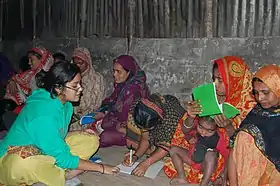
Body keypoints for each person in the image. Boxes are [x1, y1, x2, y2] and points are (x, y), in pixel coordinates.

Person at [0, 61, 119, 186]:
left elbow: (57, 135)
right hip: (14, 157)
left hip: (44, 150)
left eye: (80, 84)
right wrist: (101, 168)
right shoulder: (43, 114)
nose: (81, 89)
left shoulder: (66, 106)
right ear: (58, 88)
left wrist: (79, 132)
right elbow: (60, 154)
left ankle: (56, 170)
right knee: (21, 165)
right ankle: (63, 174)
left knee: (90, 140)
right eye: (75, 86)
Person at [164, 56, 257, 184]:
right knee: (177, 150)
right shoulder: (208, 98)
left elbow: (243, 146)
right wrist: (190, 117)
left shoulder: (248, 105)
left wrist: (229, 127)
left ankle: (217, 175)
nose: (215, 85)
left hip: (225, 157)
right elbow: (184, 131)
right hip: (197, 150)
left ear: (234, 81)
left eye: (220, 80)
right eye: (214, 79)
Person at [228, 64, 280, 186]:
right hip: (249, 178)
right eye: (256, 93)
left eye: (265, 92)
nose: (260, 98)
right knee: (243, 136)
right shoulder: (257, 113)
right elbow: (234, 152)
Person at [122, 93, 186, 177]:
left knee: (171, 152)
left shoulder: (171, 117)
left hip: (180, 133)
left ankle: (155, 151)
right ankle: (152, 150)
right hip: (159, 125)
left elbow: (166, 146)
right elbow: (146, 138)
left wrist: (146, 163)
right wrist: (135, 156)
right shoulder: (139, 106)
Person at [96, 55, 150, 148]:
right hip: (118, 123)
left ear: (129, 72)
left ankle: (136, 143)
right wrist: (103, 111)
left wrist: (106, 118)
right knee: (96, 123)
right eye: (114, 71)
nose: (114, 75)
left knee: (104, 137)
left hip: (133, 130)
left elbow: (125, 120)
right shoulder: (122, 86)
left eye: (119, 72)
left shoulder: (133, 91)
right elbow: (111, 101)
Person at [169, 116, 229, 186]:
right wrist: (189, 138)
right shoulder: (195, 128)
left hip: (206, 166)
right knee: (173, 150)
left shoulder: (219, 138)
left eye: (209, 131)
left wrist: (224, 174)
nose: (203, 132)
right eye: (200, 127)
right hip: (192, 158)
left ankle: (204, 183)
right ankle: (182, 177)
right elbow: (187, 134)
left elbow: (228, 157)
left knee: (211, 155)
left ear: (216, 129)